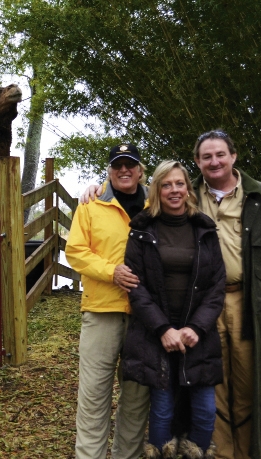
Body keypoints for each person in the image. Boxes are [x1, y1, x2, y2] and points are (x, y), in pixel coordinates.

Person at [81, 130, 261, 459]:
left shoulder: (250, 197)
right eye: (206, 156)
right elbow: (80, 252)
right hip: (139, 309)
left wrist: (258, 276)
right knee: (104, 395)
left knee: (236, 379)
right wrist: (97, 192)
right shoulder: (113, 205)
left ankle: (237, 451)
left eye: (220, 154)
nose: (214, 162)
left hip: (227, 303)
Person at [121, 160, 225, 459]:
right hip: (158, 333)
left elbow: (216, 285)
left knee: (205, 409)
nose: (174, 190)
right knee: (163, 408)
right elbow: (136, 288)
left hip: (198, 333)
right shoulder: (142, 230)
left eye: (179, 184)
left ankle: (198, 453)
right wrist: (164, 329)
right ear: (156, 190)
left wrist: (196, 327)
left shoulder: (204, 229)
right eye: (166, 185)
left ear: (188, 189)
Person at [66, 143, 151, 459]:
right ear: (109, 170)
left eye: (130, 164)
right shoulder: (91, 205)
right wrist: (110, 272)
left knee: (137, 393)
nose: (124, 170)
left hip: (145, 314)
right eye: (118, 165)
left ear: (141, 170)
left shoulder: (157, 205)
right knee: (94, 393)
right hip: (103, 309)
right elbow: (76, 251)